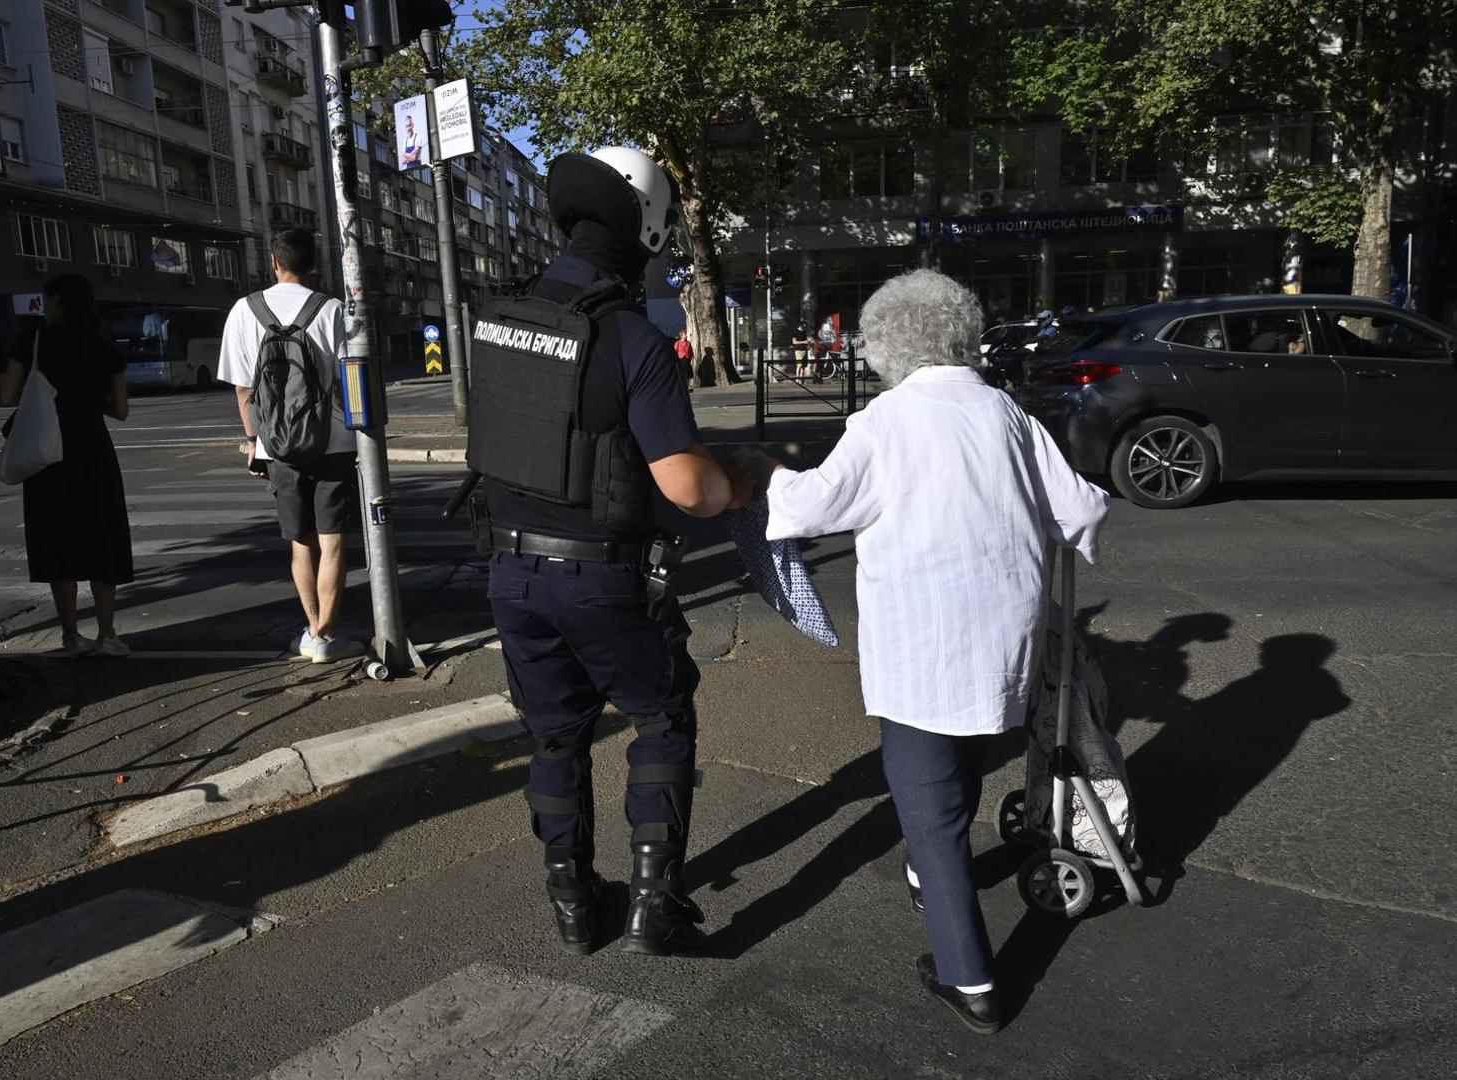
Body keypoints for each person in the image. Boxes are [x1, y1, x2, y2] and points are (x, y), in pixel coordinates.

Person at [731, 268, 1110, 1035]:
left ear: (886, 342)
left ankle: (971, 979)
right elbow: (1083, 509)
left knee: (929, 806)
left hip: (922, 644)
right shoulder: (1005, 411)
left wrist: (767, 471)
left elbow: (813, 505)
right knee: (966, 754)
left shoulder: (886, 421)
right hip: (1003, 634)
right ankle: (924, 874)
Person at [469, 146, 752, 958]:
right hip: (603, 577)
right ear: (651, 230)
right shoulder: (631, 338)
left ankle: (571, 902)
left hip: (509, 574)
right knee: (661, 715)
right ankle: (654, 902)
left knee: (556, 736)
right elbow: (689, 488)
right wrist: (744, 478)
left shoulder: (495, 319)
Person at [217, 227, 362, 665]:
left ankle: (312, 627)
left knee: (301, 544)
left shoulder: (244, 310)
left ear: (274, 262)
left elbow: (244, 390)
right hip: (333, 440)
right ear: (313, 263)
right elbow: (350, 381)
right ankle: (326, 635)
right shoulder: (333, 309)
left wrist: (252, 442)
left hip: (276, 444)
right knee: (333, 542)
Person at [0, 273, 133, 658]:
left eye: (46, 300)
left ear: (57, 300)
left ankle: (71, 637)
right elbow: (121, 411)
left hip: (48, 455)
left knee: (61, 545)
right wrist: (90, 402)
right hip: (95, 452)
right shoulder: (105, 346)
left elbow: (8, 394)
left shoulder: (33, 340)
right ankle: (108, 634)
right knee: (103, 541)